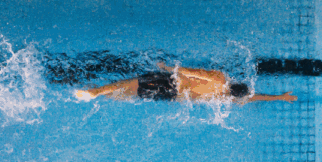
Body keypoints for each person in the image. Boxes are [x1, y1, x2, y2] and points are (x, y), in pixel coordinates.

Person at [75, 62, 296, 104]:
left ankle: (95, 91)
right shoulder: (223, 97)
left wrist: (168, 68)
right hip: (172, 96)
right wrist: (279, 97)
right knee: (130, 93)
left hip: (172, 83)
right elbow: (253, 98)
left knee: (130, 83)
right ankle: (98, 95)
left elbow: (192, 72)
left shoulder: (220, 79)